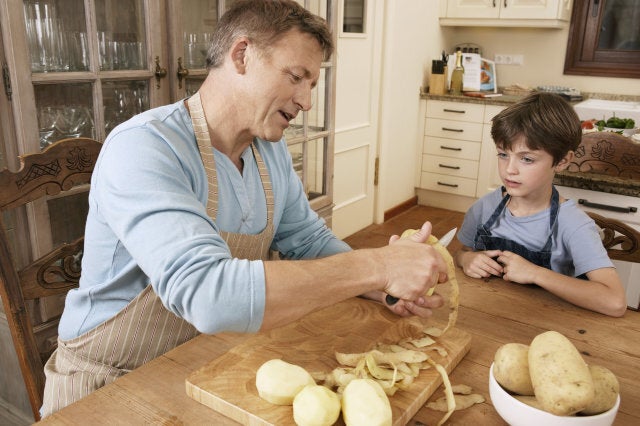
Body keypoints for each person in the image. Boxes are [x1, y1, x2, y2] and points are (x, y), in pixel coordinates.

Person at [41, 0, 447, 417]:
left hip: (209, 364)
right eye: (296, 77)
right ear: (241, 55)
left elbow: (306, 240)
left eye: (313, 83)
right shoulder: (144, 147)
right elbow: (207, 294)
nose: (307, 100)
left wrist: (383, 287)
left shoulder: (268, 153)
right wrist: (377, 266)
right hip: (108, 383)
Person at [455, 92, 627, 317]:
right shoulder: (485, 208)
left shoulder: (574, 225)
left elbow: (614, 302)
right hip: (491, 314)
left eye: (527, 159)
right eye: (503, 154)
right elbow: (460, 252)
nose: (510, 169)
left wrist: (535, 273)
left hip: (549, 324)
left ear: (563, 161)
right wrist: (466, 259)